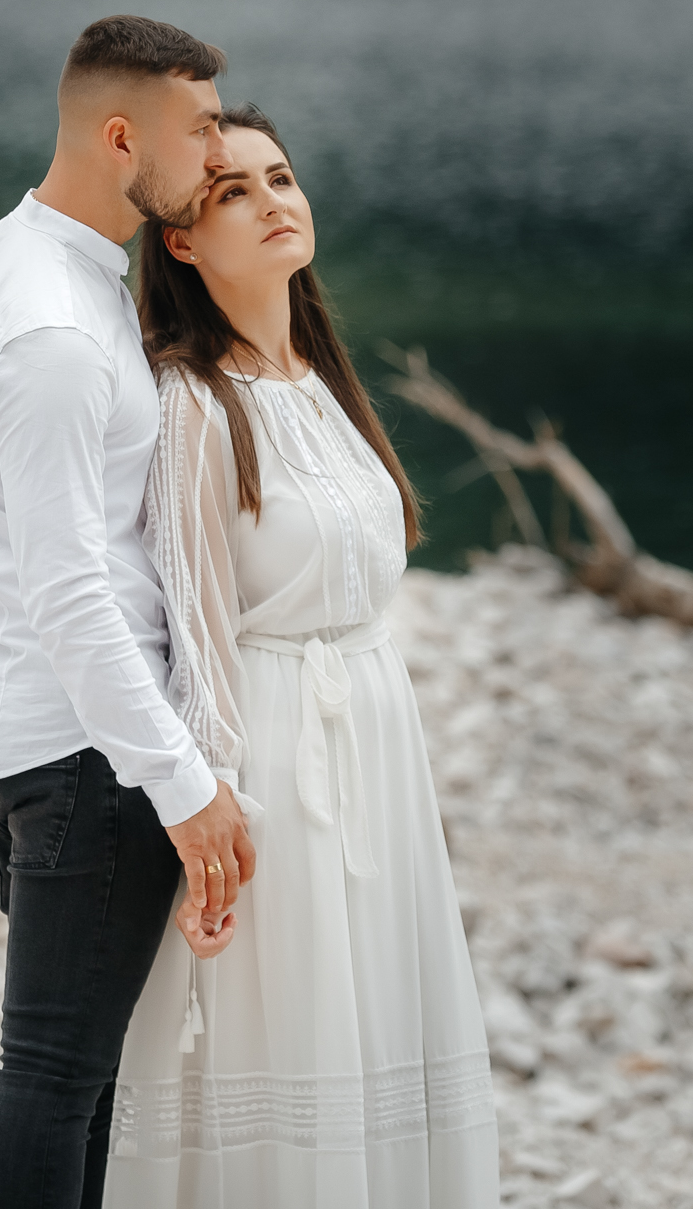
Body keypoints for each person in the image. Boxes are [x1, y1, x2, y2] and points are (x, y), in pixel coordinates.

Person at [108, 104, 500, 1204]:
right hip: (276, 746)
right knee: (289, 1023)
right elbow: (196, 626)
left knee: (379, 1009)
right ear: (183, 241)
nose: (273, 202)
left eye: (280, 178)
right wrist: (214, 810)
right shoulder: (191, 401)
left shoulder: (319, 380)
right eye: (232, 192)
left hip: (375, 731)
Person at [0, 14, 258, 1209]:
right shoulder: (54, 329)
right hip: (85, 753)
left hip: (29, 736)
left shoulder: (5, 266)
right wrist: (182, 780)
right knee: (58, 1076)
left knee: (79, 1078)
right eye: (201, 128)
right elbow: (71, 589)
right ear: (123, 137)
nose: (217, 153)